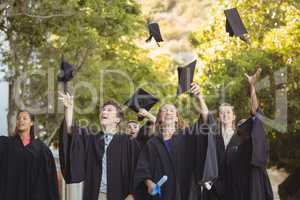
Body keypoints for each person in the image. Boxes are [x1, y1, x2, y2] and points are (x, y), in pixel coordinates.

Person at [134, 82, 210, 200]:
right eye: (164, 110)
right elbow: (143, 168)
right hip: (161, 194)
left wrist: (199, 97)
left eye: (172, 111)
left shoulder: (187, 136)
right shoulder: (152, 143)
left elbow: (205, 120)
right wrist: (149, 184)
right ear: (159, 118)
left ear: (176, 118)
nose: (168, 112)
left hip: (186, 193)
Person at [208, 68, 273, 200]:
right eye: (222, 113)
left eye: (228, 112)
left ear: (234, 116)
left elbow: (255, 113)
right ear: (218, 118)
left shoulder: (242, 137)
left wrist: (252, 87)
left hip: (245, 187)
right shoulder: (213, 138)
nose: (225, 115)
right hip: (223, 189)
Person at [58, 93, 136, 200]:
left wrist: (133, 194)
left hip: (122, 195)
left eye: (109, 110)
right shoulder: (92, 139)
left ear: (117, 119)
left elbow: (137, 169)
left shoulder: (127, 142)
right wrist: (69, 108)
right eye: (103, 110)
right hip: (96, 194)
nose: (104, 112)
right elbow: (72, 132)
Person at [0, 110, 59, 200]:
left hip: (34, 194)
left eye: (24, 118)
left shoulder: (41, 150)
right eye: (18, 119)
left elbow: (49, 178)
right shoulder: (6, 145)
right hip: (11, 194)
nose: (21, 121)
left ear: (31, 123)